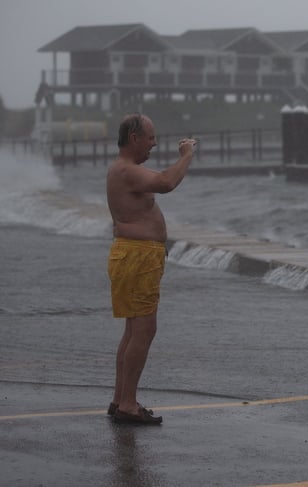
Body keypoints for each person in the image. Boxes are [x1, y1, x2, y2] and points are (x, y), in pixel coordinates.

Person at [106, 114, 195, 425]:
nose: (154, 143)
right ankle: (128, 404)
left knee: (133, 330)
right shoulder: (125, 170)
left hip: (134, 255)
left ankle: (120, 399)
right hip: (138, 257)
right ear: (134, 139)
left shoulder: (127, 170)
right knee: (144, 329)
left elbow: (159, 177)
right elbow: (167, 182)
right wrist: (187, 156)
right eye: (150, 137)